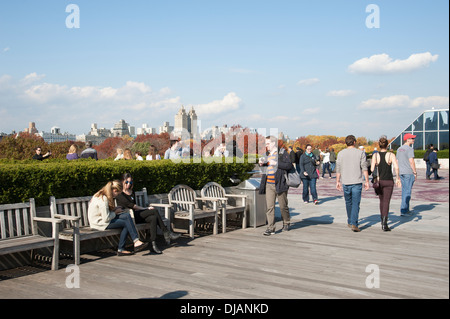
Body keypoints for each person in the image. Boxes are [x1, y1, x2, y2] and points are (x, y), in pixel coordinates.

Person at [115, 173, 181, 254]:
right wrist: (146, 208)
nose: (128, 184)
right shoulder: (120, 194)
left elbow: (135, 207)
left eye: (130, 182)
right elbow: (133, 206)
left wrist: (144, 209)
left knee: (153, 218)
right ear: (122, 181)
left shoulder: (132, 192)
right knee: (154, 211)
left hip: (137, 214)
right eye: (126, 182)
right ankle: (166, 232)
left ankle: (153, 244)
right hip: (129, 217)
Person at [87, 180, 148, 256]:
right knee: (126, 222)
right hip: (99, 223)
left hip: (101, 220)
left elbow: (104, 212)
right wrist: (115, 212)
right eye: (117, 194)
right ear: (114, 190)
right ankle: (130, 244)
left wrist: (114, 209)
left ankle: (132, 243)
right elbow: (106, 218)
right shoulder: (103, 199)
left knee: (127, 216)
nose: (116, 196)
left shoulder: (100, 194)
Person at [259, 136, 294, 235]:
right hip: (269, 184)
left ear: (273, 143)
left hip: (280, 183)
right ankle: (271, 228)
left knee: (283, 206)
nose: (266, 146)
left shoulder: (282, 153)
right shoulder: (267, 154)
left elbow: (289, 165)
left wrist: (277, 163)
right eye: (266, 144)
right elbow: (267, 167)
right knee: (270, 207)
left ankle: (286, 222)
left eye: (268, 143)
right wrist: (262, 164)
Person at [336, 135, 370, 232]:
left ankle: (350, 221)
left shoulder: (341, 153)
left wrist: (337, 181)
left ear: (346, 143)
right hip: (356, 181)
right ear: (354, 142)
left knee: (348, 202)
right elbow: (364, 168)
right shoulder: (360, 153)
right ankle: (354, 223)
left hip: (346, 182)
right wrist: (367, 181)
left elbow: (338, 169)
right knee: (356, 203)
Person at [370, 136, 401, 231]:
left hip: (379, 181)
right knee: (386, 201)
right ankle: (384, 223)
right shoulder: (391, 155)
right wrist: (398, 178)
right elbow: (396, 167)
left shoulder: (375, 155)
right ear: (387, 145)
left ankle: (382, 219)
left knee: (381, 200)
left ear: (379, 145)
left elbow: (371, 169)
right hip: (388, 180)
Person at [396, 133, 417, 217]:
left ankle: (405, 209)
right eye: (412, 138)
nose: (413, 140)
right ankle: (404, 210)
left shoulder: (399, 149)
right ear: (407, 139)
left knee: (404, 191)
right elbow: (411, 161)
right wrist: (415, 172)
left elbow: (397, 161)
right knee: (407, 192)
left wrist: (397, 174)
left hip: (401, 172)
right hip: (408, 172)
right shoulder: (409, 149)